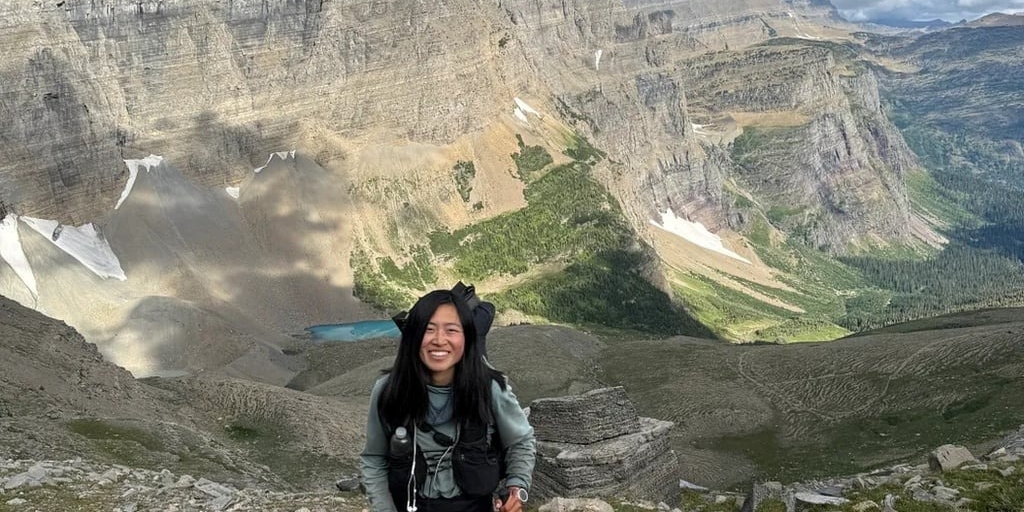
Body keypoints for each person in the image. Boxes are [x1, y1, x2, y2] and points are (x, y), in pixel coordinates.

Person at [361, 288, 535, 512]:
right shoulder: (388, 391)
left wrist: (517, 486)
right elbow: (374, 459)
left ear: (467, 337)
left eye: (451, 330)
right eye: (428, 329)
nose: (439, 340)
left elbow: (521, 441)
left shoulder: (489, 387)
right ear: (412, 336)